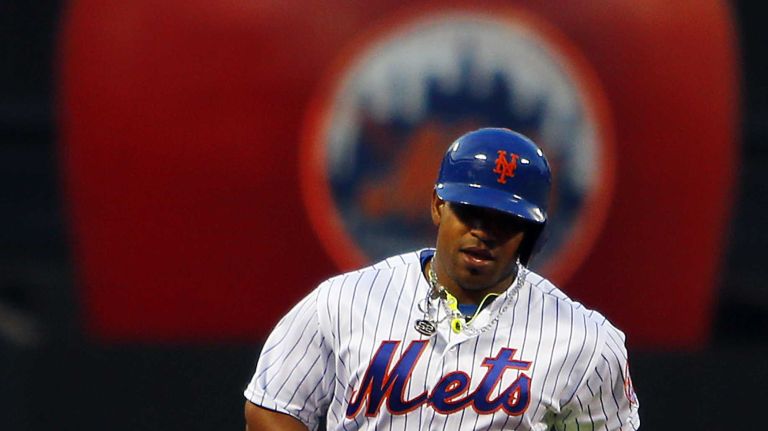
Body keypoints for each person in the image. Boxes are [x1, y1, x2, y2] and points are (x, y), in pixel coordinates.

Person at [243, 128, 640, 430]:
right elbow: (271, 408)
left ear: (532, 229)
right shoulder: (343, 301)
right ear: (438, 205)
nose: (484, 231)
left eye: (507, 221)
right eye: (471, 212)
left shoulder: (587, 342)